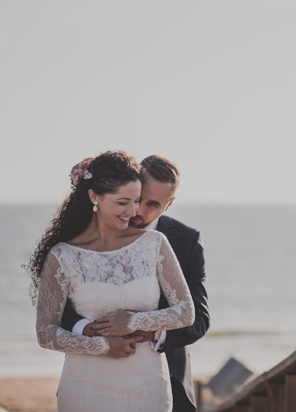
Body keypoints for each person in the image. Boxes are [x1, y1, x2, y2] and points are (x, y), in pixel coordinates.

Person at [30, 151, 195, 412]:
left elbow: (187, 312)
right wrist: (103, 346)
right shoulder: (62, 256)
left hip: (148, 384)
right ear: (95, 196)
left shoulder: (154, 244)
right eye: (123, 202)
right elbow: (46, 333)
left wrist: (132, 320)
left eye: (137, 201)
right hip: (86, 386)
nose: (133, 211)